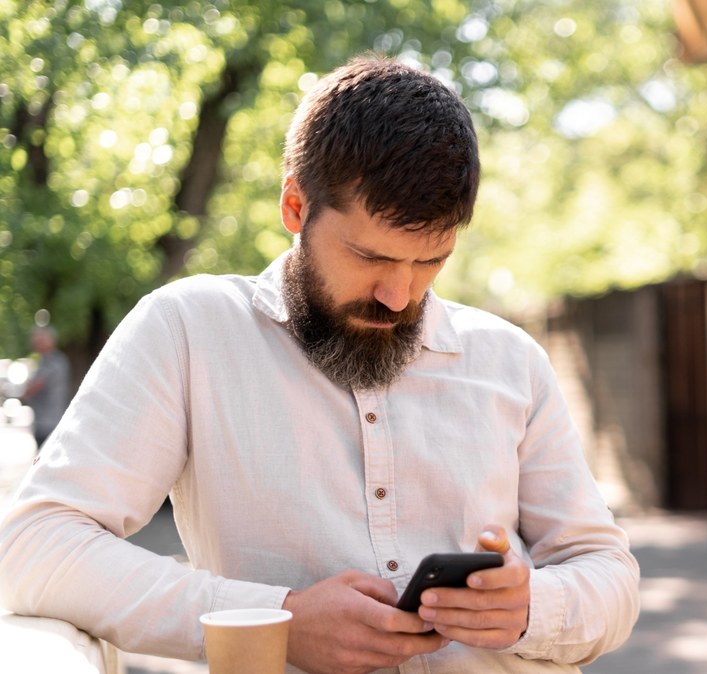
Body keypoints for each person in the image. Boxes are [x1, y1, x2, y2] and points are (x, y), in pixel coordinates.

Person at [0, 56, 639, 673]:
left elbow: (609, 576)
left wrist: (531, 608)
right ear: (295, 209)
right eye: (370, 257)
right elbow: (35, 549)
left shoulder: (511, 360)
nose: (399, 296)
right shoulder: (188, 332)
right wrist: (276, 620)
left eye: (429, 262)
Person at [20, 325, 70, 449]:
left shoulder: (51, 362)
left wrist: (26, 390)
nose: (35, 344)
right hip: (48, 422)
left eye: (38, 340)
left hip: (49, 424)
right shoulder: (51, 360)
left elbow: (33, 388)